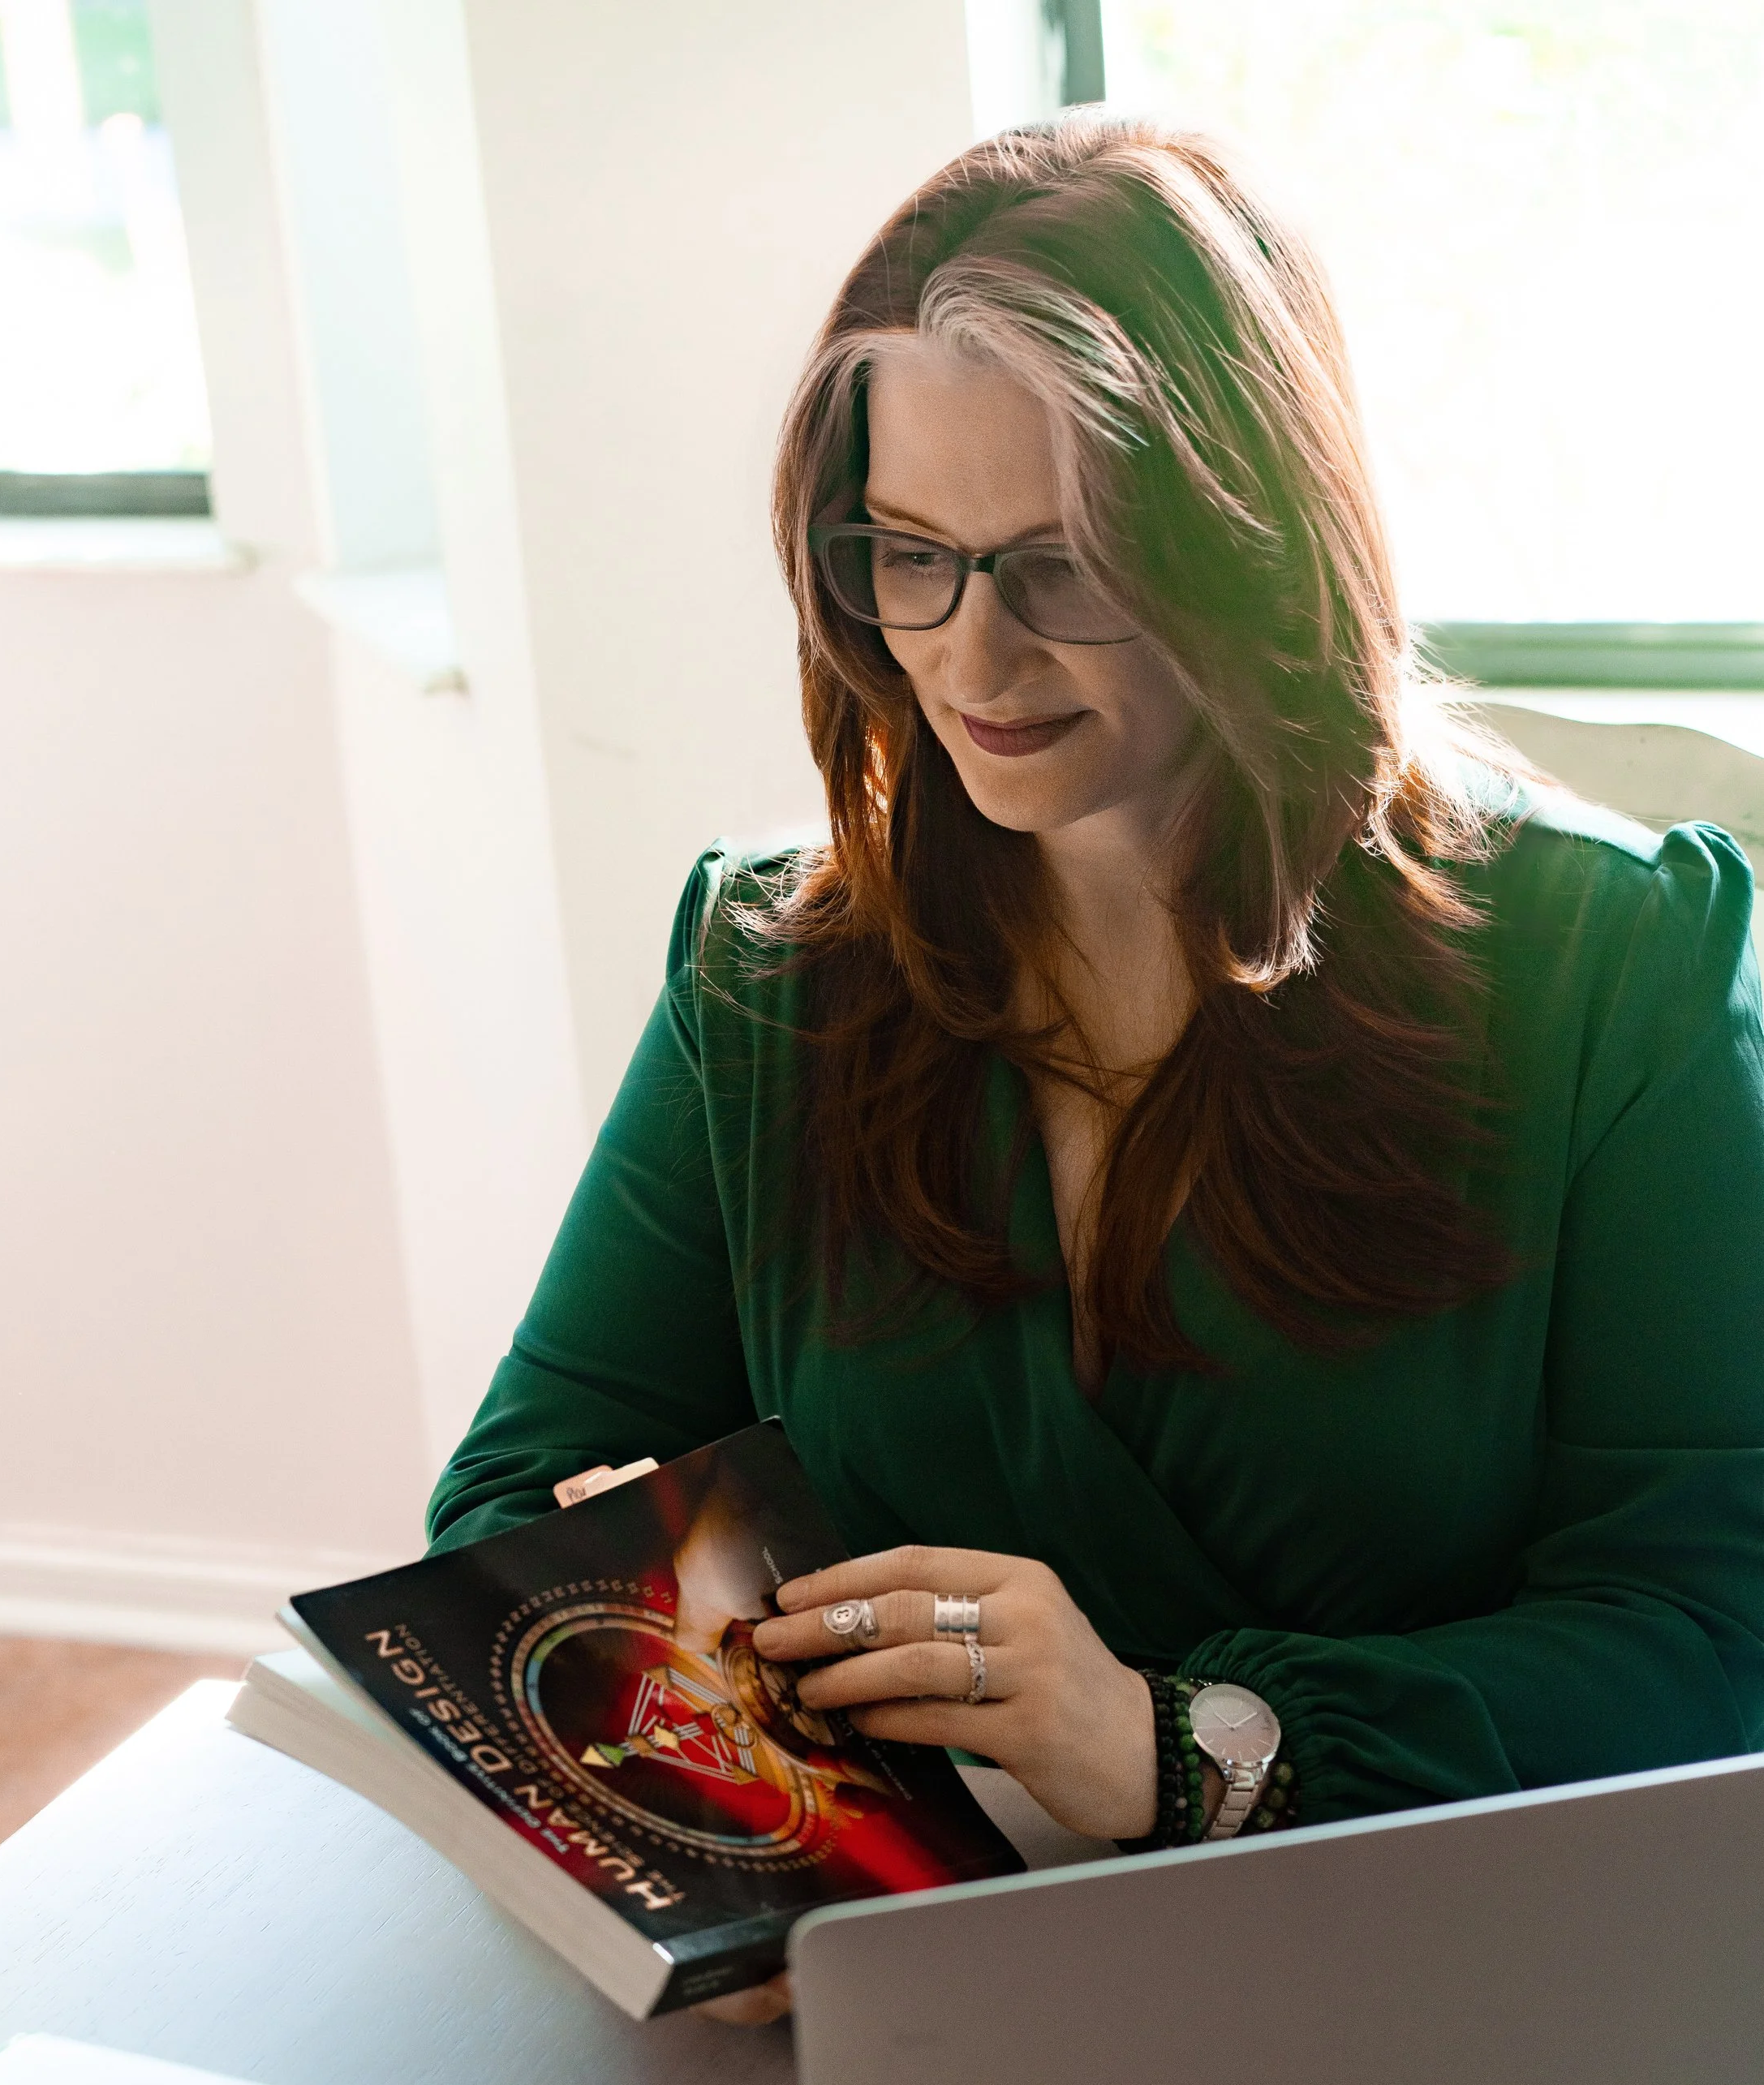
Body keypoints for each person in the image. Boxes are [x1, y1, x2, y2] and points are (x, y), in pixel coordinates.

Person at [426, 114, 1764, 1909]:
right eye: (908, 555)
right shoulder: (770, 972)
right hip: (901, 1963)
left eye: (1059, 566)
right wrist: (672, 1696)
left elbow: (1711, 1626)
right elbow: (514, 1506)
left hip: (1445, 1954)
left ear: (1258, 551)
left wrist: (1174, 1740)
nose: (971, 662)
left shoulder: (1620, 967)